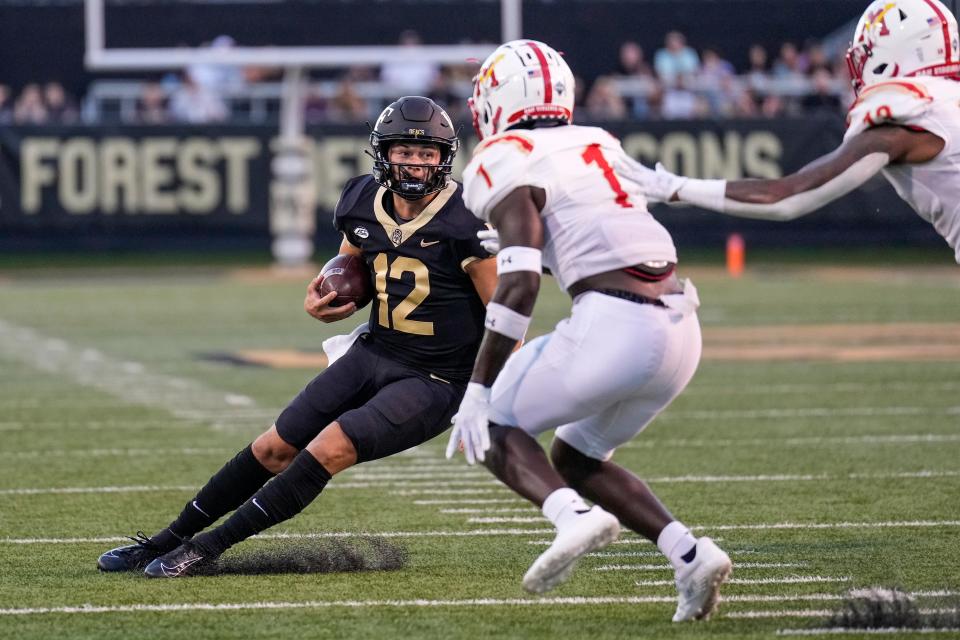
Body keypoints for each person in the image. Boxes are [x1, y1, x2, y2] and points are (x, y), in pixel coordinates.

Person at [97, 96, 497, 577]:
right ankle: (165, 539)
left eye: (426, 153)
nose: (414, 162)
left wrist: (486, 393)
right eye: (403, 152)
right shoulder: (360, 201)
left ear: (444, 157)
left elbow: (508, 314)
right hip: (376, 351)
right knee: (272, 447)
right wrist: (322, 300)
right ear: (382, 153)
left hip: (437, 378)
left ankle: (205, 549)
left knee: (329, 447)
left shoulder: (469, 218)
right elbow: (350, 271)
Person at [445, 40, 732, 622]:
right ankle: (691, 554)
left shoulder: (504, 154)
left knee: (495, 421)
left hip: (615, 325)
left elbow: (519, 284)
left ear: (497, 100)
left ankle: (574, 518)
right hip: (681, 328)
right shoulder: (597, 141)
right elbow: (599, 244)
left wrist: (476, 390)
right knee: (577, 455)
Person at [624, 0, 960, 264]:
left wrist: (675, 187)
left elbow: (787, 197)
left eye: (867, 53)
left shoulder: (909, 116)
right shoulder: (946, 101)